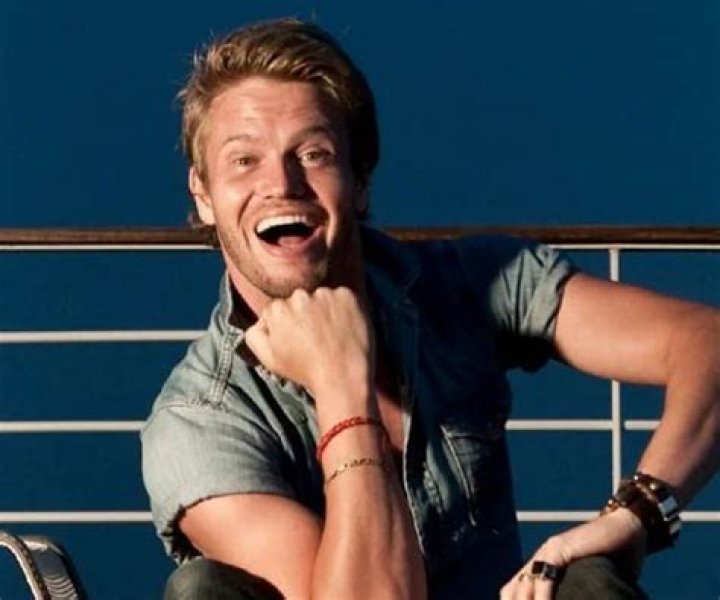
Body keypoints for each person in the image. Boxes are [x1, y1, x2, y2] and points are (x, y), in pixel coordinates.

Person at [141, 18, 719, 600]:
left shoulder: (465, 282)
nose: (282, 183)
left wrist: (639, 513)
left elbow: (707, 344)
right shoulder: (197, 420)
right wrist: (343, 385)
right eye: (244, 160)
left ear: (359, 182)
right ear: (203, 195)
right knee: (202, 589)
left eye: (314, 154)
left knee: (587, 584)